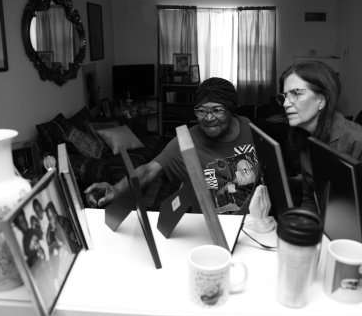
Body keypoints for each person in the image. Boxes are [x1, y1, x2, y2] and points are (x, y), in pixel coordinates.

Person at [85, 77, 258, 214]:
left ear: (231, 109)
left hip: (254, 224)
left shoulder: (251, 129)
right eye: (201, 110)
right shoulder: (186, 141)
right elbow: (149, 170)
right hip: (207, 227)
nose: (208, 117)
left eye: (217, 110)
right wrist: (117, 188)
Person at [278, 60, 362, 212]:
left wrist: (359, 225)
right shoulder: (304, 137)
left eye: (296, 94)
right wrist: (306, 228)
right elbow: (310, 197)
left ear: (321, 100)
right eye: (285, 96)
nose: (286, 103)